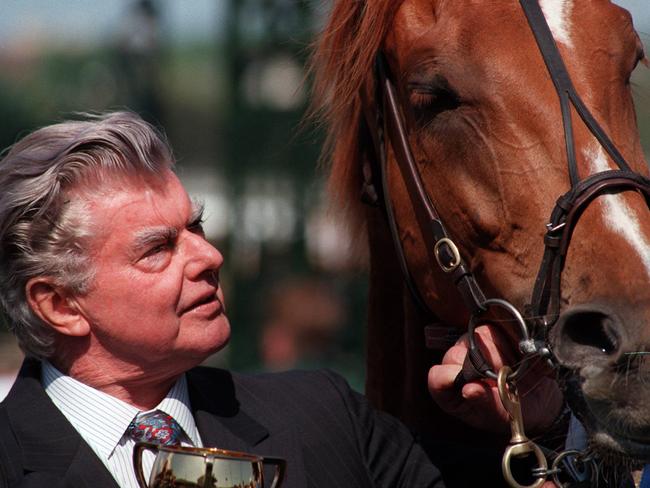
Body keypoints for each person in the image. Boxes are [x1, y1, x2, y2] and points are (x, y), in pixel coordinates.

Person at [0, 111, 445, 488]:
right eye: (157, 249)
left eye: (195, 227)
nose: (209, 256)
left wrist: (504, 416)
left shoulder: (326, 418)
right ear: (59, 305)